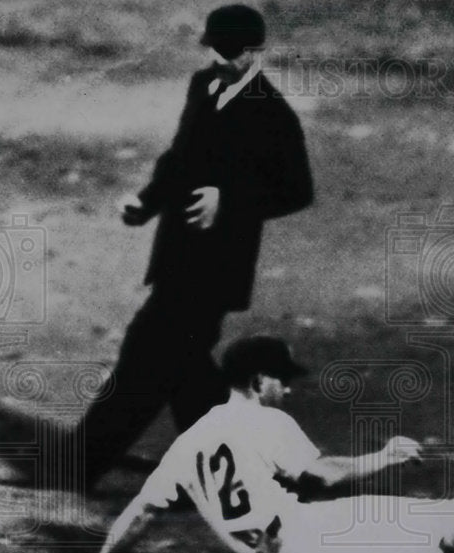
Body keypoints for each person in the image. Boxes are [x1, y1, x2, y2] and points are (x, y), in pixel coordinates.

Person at [55, 336, 454, 553]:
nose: (286, 389)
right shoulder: (265, 419)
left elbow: (141, 512)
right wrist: (386, 456)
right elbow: (323, 474)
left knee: (406, 538)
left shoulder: (188, 443)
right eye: (281, 380)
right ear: (258, 379)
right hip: (312, 545)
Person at [64, 4, 314, 489]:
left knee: (144, 358)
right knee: (185, 376)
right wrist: (147, 202)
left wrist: (232, 201)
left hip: (217, 269)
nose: (220, 59)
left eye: (229, 52)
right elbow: (178, 159)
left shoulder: (272, 112)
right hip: (176, 255)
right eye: (214, 49)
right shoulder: (202, 86)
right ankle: (240, 471)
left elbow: (297, 190)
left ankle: (77, 467)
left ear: (253, 52)